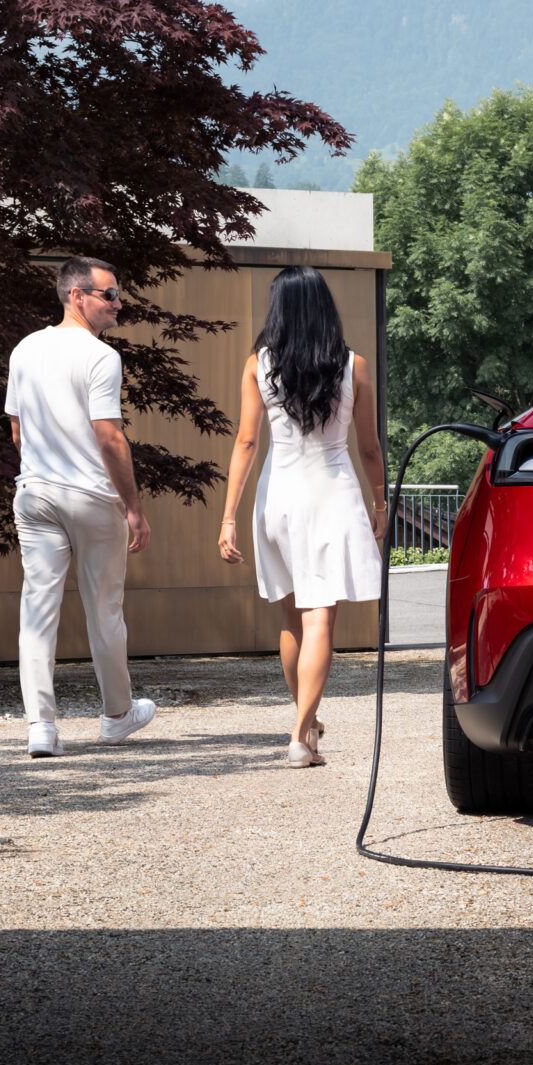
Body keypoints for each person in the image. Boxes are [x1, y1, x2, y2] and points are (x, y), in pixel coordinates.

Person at [218, 266, 389, 767]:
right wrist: (380, 504)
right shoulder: (352, 365)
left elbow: (246, 443)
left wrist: (228, 517)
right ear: (323, 307)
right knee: (321, 618)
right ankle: (299, 735)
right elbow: (369, 449)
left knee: (291, 618)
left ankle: (306, 724)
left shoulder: (258, 365)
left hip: (276, 499)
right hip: (330, 496)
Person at [3, 256, 158, 758]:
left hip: (35, 493)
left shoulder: (25, 348)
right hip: (90, 496)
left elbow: (17, 429)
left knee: (37, 610)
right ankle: (116, 716)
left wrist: (42, 464)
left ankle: (40, 728)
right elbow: (110, 437)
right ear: (77, 296)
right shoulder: (99, 357)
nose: (119, 303)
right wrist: (133, 507)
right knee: (104, 610)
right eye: (109, 294)